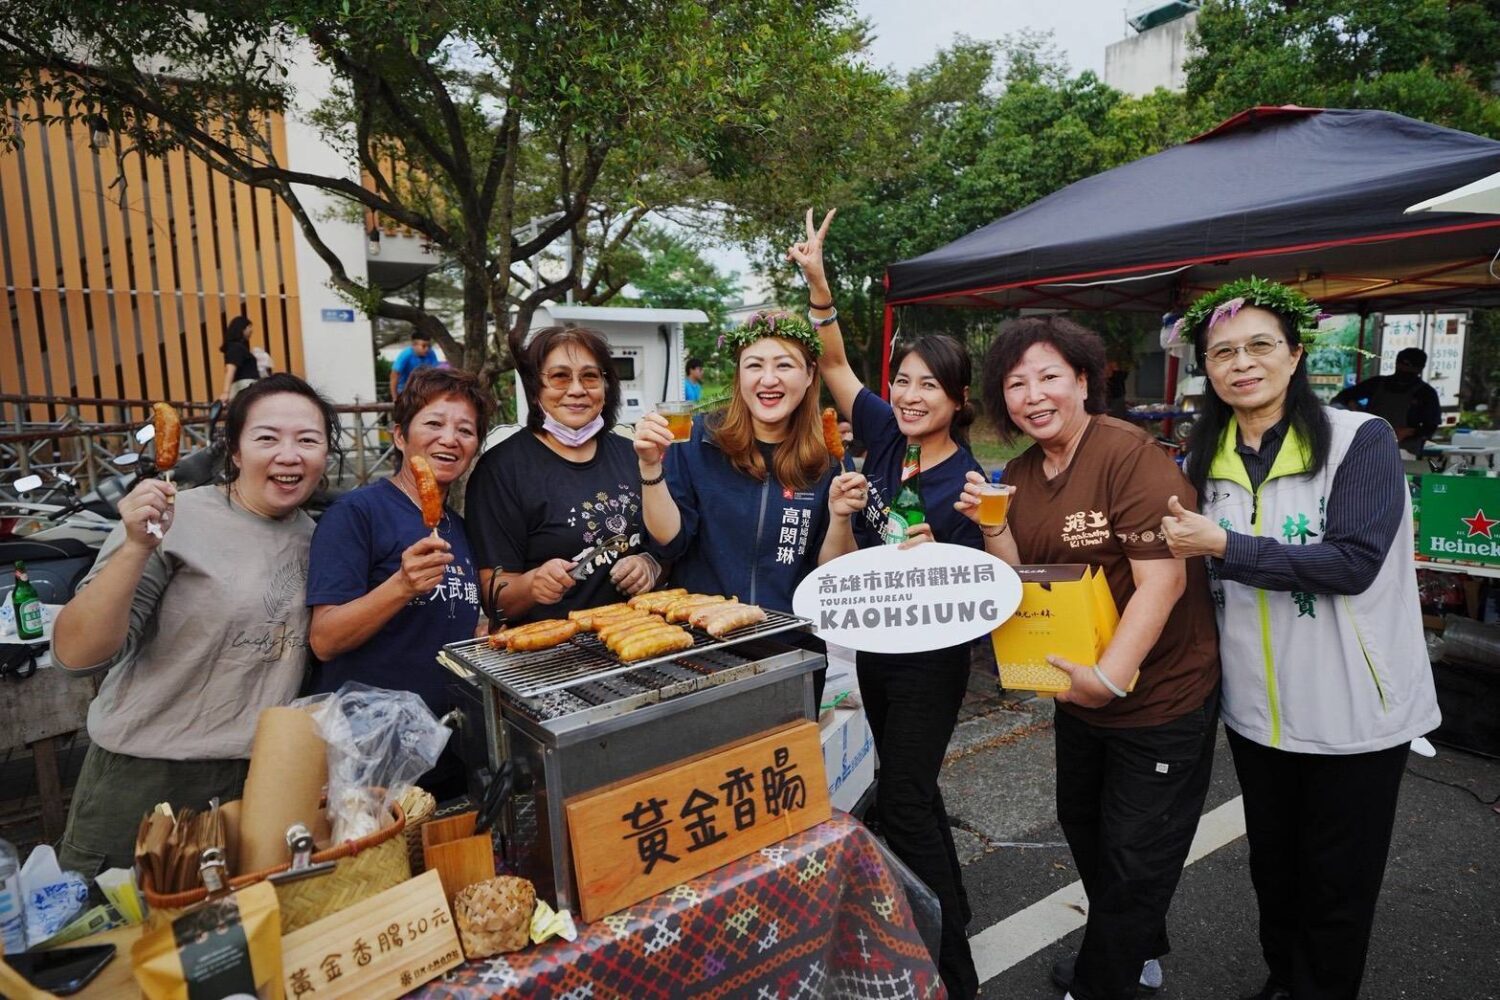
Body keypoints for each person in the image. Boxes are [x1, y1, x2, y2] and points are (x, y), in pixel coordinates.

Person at [1161, 278, 1440, 1000]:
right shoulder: (1203, 458)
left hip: (1356, 712)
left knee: (1337, 886)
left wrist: (1224, 543)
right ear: (1207, 370)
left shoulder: (1359, 440)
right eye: (1222, 351)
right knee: (1274, 873)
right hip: (1258, 712)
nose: (1240, 363)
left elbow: (1350, 563)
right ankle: (1286, 980)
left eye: (1259, 346)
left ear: (1293, 356)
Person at [957, 316, 1221, 1000]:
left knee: (1136, 855)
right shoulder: (1017, 472)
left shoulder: (1126, 455)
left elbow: (1164, 579)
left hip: (1158, 694)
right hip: (1076, 689)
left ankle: (1106, 979)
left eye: (1049, 377)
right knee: (1088, 827)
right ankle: (1139, 944)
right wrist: (992, 526)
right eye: (1016, 384)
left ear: (1083, 380)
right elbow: (1021, 581)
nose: (1033, 395)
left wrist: (1110, 677)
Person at [789, 208, 982, 999]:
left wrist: (941, 556)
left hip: (931, 666)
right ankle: (958, 908)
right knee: (913, 786)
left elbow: (979, 590)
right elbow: (834, 364)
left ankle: (953, 972)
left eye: (926, 385)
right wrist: (819, 283)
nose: (906, 394)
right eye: (901, 380)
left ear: (959, 399)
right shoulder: (886, 436)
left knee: (901, 801)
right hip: (874, 649)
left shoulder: (966, 483)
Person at [52, 374, 339, 876]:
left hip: (261, 779)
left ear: (326, 455)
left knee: (233, 946)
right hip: (144, 776)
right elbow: (77, 656)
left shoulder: (320, 539)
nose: (289, 455)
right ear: (233, 449)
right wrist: (137, 546)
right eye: (267, 438)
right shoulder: (173, 517)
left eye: (308, 440)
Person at [633, 309, 868, 706]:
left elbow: (834, 574)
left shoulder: (827, 461)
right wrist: (650, 466)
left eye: (784, 365)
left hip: (793, 652)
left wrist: (841, 516)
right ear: (739, 375)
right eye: (754, 365)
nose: (768, 378)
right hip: (700, 651)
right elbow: (669, 540)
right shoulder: (696, 440)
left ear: (810, 374)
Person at [305, 367, 492, 800]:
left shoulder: (459, 528)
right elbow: (325, 639)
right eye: (433, 423)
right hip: (367, 756)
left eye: (465, 430)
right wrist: (401, 586)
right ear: (400, 436)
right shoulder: (357, 514)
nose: (450, 438)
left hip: (443, 747)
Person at [466, 326, 662, 624]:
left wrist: (651, 564)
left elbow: (669, 543)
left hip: (636, 637)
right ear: (534, 391)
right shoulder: (501, 470)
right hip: (550, 656)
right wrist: (532, 585)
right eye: (559, 376)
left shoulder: (634, 454)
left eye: (590, 376)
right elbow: (493, 597)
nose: (577, 389)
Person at [1331, 347, 1441, 458]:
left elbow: (1431, 426)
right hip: (1370, 442)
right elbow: (1341, 398)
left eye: (1409, 367)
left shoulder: (1426, 393)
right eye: (1402, 365)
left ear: (1420, 369)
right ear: (1396, 364)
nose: (1404, 369)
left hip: (1405, 450)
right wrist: (1355, 410)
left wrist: (1411, 432)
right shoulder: (1376, 384)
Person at [219, 315, 261, 403]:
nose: (251, 330)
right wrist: (226, 392)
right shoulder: (235, 347)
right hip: (244, 388)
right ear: (241, 329)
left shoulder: (237, 347)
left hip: (245, 387)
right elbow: (230, 369)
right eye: (249, 327)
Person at [389, 332, 440, 399]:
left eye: (429, 346)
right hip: (404, 388)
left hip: (422, 387)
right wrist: (395, 397)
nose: (427, 349)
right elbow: (394, 375)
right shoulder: (406, 355)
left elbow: (435, 372)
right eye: (424, 346)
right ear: (414, 345)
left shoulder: (431, 353)